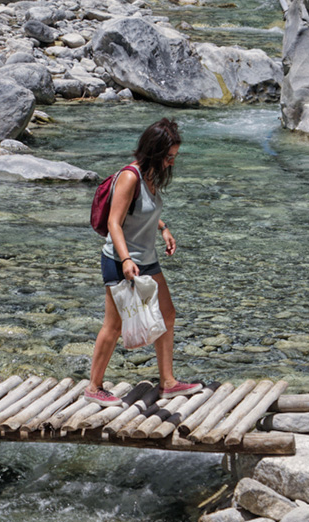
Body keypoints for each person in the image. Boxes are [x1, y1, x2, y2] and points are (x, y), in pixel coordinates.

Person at [84, 118, 203, 406]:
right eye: (169, 156)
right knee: (114, 326)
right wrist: (125, 259)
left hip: (147, 260)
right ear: (154, 151)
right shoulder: (130, 177)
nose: (172, 162)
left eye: (174, 156)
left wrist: (163, 228)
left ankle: (168, 382)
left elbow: (143, 211)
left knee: (167, 314)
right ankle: (93, 387)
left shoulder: (150, 176)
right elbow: (114, 221)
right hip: (119, 260)